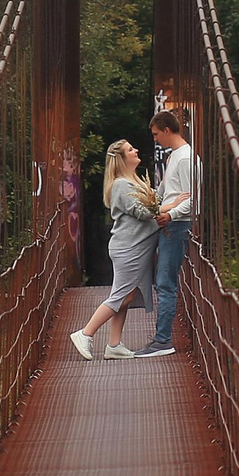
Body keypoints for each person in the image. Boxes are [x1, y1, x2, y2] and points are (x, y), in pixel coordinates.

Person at [68, 141, 158, 361]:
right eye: (130, 149)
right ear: (121, 158)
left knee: (126, 296)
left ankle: (114, 344)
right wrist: (172, 205)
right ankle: (85, 333)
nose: (136, 150)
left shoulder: (131, 182)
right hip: (129, 249)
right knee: (121, 295)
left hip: (132, 248)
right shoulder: (121, 186)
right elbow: (144, 212)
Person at [137, 108, 199, 358]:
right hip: (169, 224)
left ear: (167, 130)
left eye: (155, 134)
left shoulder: (185, 159)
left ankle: (163, 341)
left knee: (165, 283)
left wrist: (170, 214)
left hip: (177, 225)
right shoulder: (174, 156)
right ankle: (161, 339)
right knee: (163, 282)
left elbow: (194, 199)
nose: (155, 139)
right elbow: (166, 192)